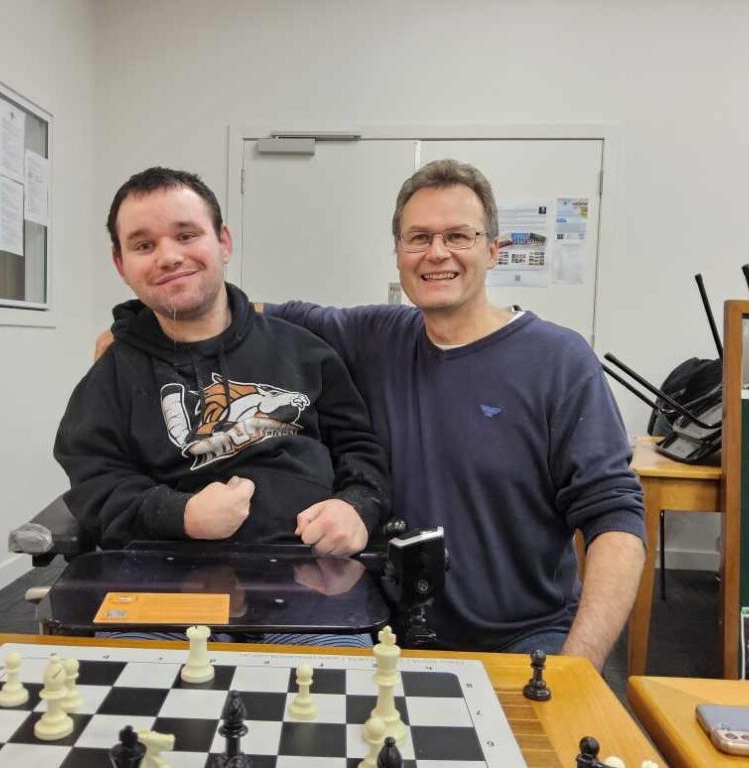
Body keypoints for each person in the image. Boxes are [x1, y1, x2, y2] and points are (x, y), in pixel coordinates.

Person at [263, 159, 647, 671]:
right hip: (386, 635)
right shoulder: (374, 336)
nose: (436, 253)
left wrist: (577, 669)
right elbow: (244, 318)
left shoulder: (558, 360)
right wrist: (134, 333)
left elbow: (616, 521)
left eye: (458, 236)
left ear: (492, 250)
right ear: (398, 254)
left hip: (523, 641)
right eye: (418, 237)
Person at [54, 167, 390, 645]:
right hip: (163, 574)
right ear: (120, 263)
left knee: (331, 703)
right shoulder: (110, 377)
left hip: (306, 574)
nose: (169, 256)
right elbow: (95, 486)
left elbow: (361, 450)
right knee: (147, 707)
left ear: (223, 242)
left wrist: (357, 506)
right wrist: (180, 513)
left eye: (187, 235)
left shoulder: (305, 352)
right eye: (144, 245)